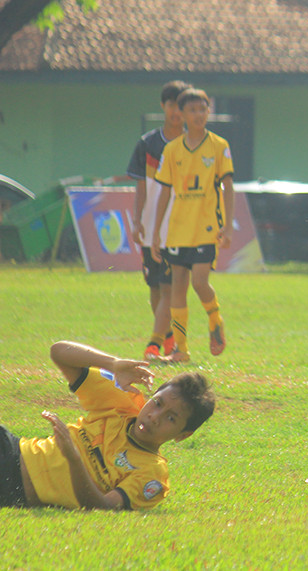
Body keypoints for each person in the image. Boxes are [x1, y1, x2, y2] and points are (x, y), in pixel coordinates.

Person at [0, 340, 214, 510]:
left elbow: (101, 508)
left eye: (171, 418)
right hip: (11, 448)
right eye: (157, 403)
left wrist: (74, 458)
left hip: (13, 487)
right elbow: (59, 352)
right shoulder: (122, 402)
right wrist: (111, 363)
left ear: (183, 435)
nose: (154, 416)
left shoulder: (151, 474)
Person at [151, 88, 234, 363]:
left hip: (207, 227)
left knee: (199, 282)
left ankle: (215, 320)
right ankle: (181, 350)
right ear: (182, 114)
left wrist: (228, 225)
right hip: (178, 229)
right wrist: (155, 232)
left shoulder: (219, 145)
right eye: (193, 110)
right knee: (178, 286)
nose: (199, 114)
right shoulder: (172, 150)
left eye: (203, 109)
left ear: (209, 111)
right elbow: (164, 192)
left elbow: (228, 186)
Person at [126, 80, 191, 361]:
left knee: (169, 287)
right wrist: (138, 219)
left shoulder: (193, 144)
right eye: (171, 105)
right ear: (163, 106)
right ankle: (167, 337)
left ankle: (154, 343)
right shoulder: (147, 144)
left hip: (179, 228)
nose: (176, 111)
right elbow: (141, 186)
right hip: (152, 226)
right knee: (154, 286)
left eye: (181, 106)